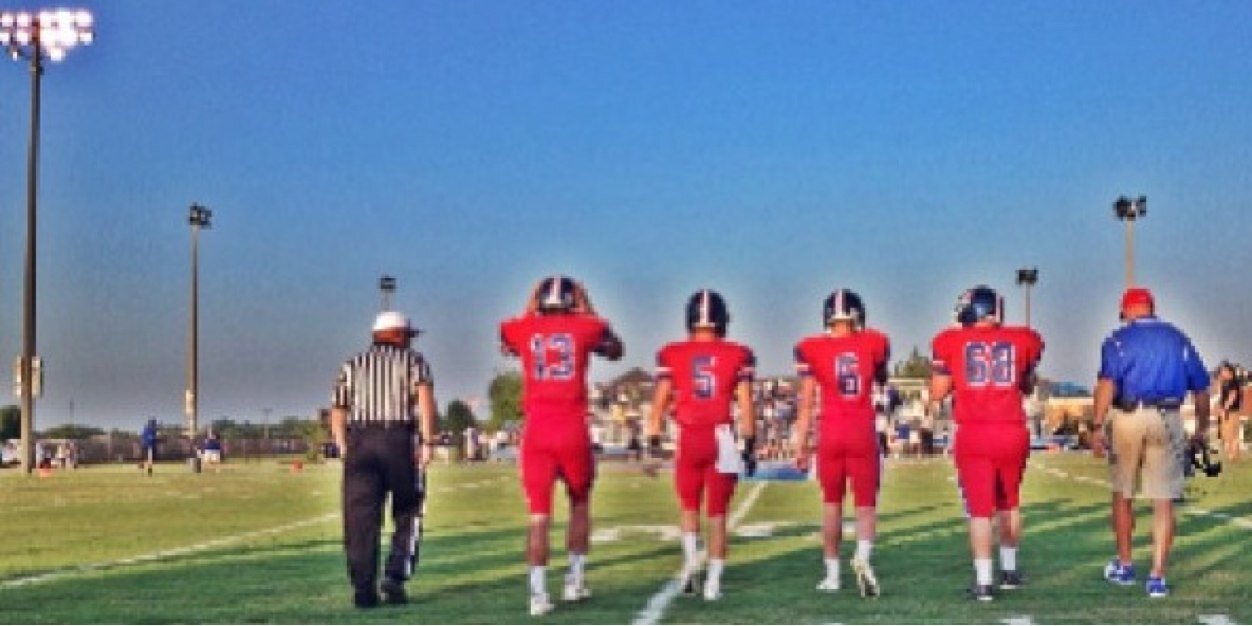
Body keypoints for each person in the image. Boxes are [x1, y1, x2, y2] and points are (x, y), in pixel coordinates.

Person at [499, 275, 623, 616]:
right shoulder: (586, 327)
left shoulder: (522, 328)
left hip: (536, 429)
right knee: (579, 504)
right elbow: (613, 345)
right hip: (571, 426)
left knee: (538, 516)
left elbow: (509, 336)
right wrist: (587, 302)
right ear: (572, 302)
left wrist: (530, 297)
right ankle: (575, 580)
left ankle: (537, 595)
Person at [1090, 287, 1210, 598]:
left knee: (1123, 493)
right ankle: (1157, 575)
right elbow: (1201, 388)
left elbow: (1107, 383)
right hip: (1168, 417)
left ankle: (1126, 565)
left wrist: (1096, 424)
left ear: (1127, 310)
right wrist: (1201, 429)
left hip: (1129, 417)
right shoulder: (1178, 338)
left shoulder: (1118, 340)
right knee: (1164, 500)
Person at [928, 285, 1044, 602]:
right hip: (1012, 430)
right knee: (1009, 502)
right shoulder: (1024, 339)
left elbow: (939, 391)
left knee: (980, 510)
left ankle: (983, 582)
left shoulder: (949, 340)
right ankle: (1009, 571)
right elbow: (1028, 384)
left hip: (974, 431)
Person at [645, 289, 757, 601]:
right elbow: (746, 406)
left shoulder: (673, 353)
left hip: (689, 435)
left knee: (689, 508)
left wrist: (652, 443)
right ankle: (713, 584)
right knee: (718, 514)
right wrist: (749, 442)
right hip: (721, 437)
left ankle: (692, 566)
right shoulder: (737, 353)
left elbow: (658, 405)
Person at [330, 310, 437, 608]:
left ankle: (363, 588)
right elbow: (425, 403)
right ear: (399, 335)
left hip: (360, 441)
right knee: (409, 508)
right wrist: (428, 441)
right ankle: (395, 575)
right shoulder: (414, 362)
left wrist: (342, 444)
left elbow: (338, 409)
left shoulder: (352, 364)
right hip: (398, 439)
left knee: (360, 519)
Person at [791, 289, 890, 598]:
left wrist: (800, 445)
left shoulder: (812, 348)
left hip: (830, 432)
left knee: (831, 506)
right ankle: (862, 557)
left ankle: (832, 576)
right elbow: (882, 377)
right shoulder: (873, 341)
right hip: (861, 429)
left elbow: (806, 403)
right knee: (865, 507)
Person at [1216, 361, 1242, 462]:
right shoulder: (1226, 383)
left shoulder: (1233, 382)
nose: (1221, 373)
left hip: (1231, 412)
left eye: (1223, 371)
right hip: (1227, 412)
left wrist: (1225, 409)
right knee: (1227, 435)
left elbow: (1233, 396)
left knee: (1231, 435)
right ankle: (1232, 456)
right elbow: (1221, 395)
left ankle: (1233, 456)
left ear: (1229, 371)